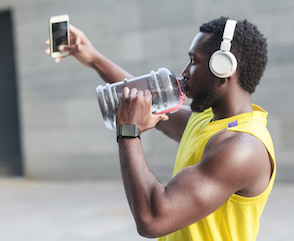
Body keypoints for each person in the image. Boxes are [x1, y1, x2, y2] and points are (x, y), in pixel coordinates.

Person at [45, 16, 275, 241]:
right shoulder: (209, 120)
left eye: (194, 61)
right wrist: (94, 58)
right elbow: (145, 101)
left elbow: (153, 220)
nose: (185, 71)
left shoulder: (242, 148)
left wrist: (128, 132)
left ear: (222, 67)